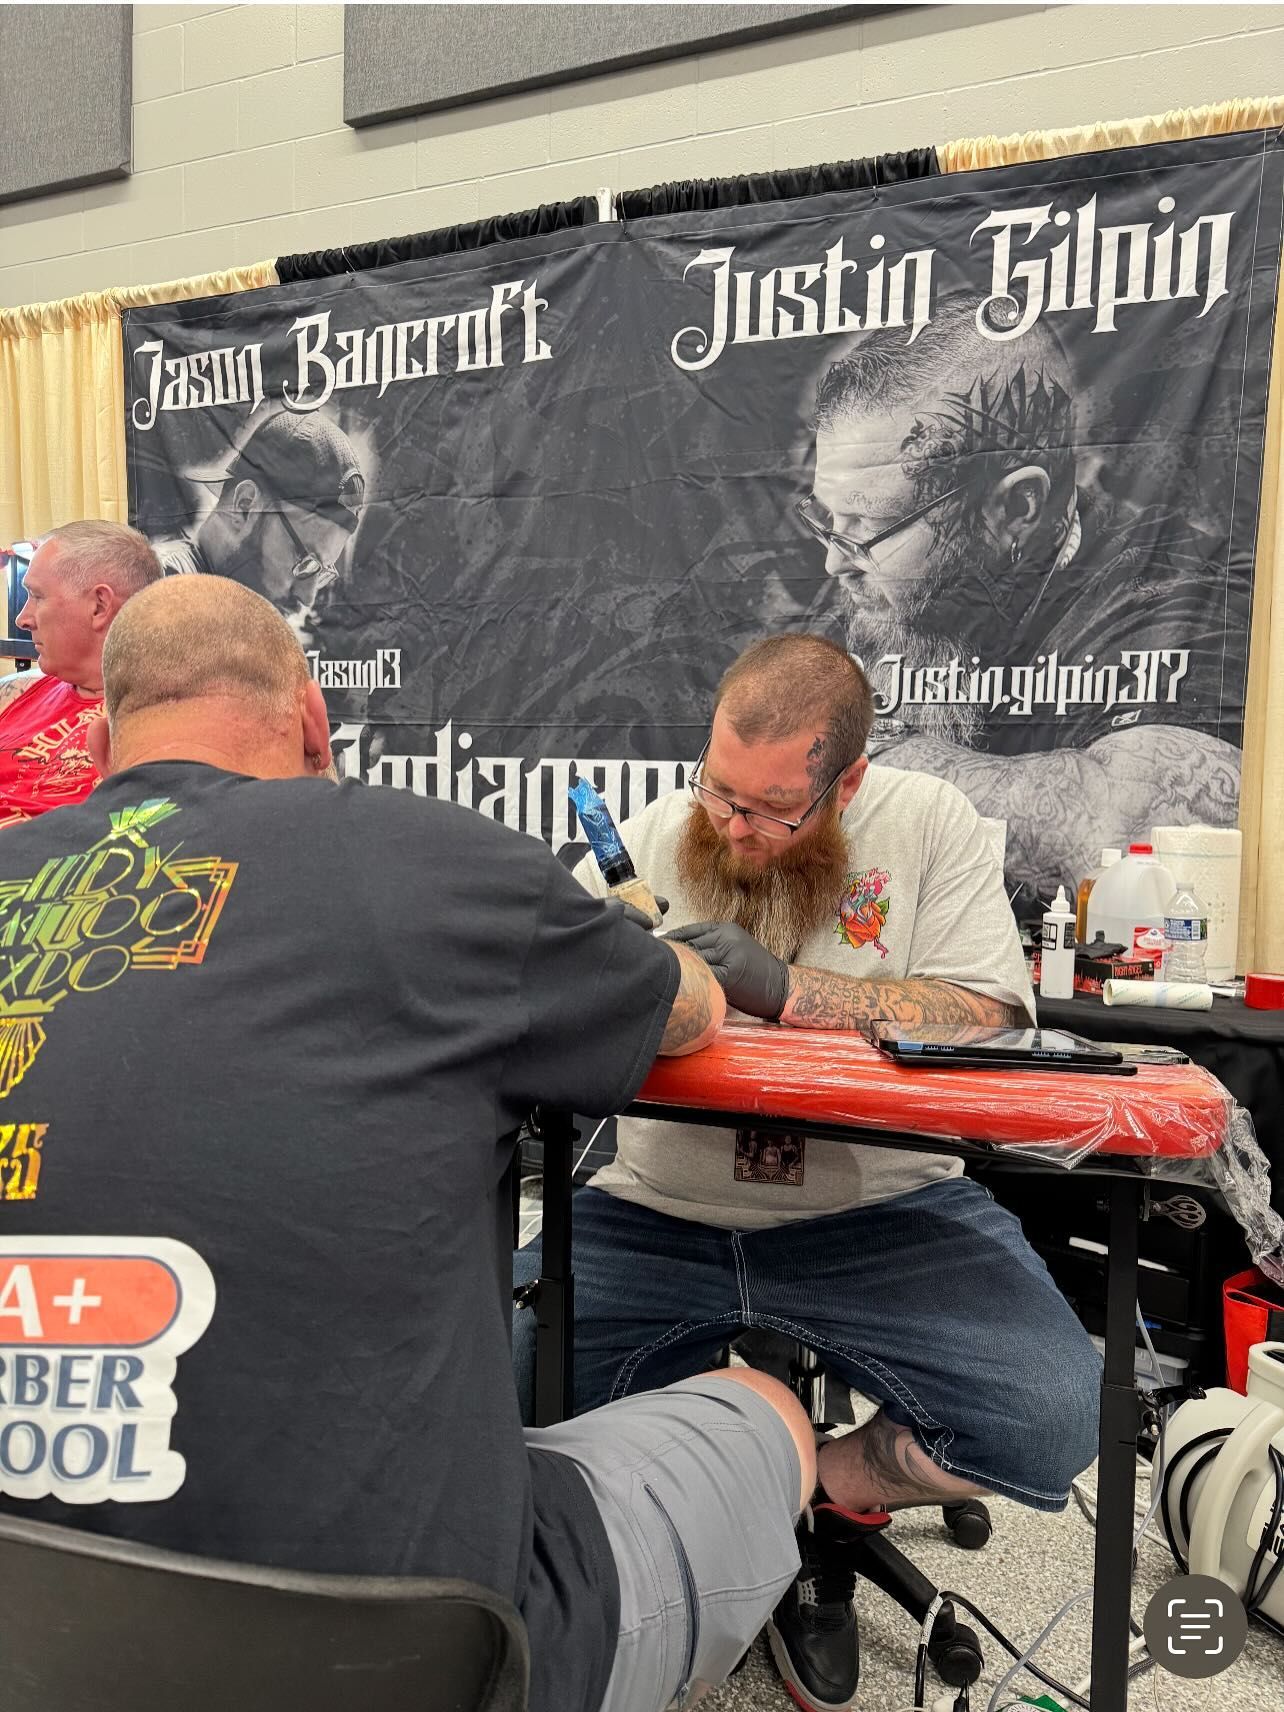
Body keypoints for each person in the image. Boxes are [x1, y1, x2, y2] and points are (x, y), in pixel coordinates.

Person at [0, 573, 824, 1712]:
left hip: (33, 1633)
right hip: (412, 1653)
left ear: (99, 738)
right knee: (766, 1414)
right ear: (310, 721)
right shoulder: (426, 857)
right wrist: (679, 958)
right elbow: (686, 1008)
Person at [513, 634, 1102, 1712]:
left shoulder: (928, 826)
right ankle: (694, 1502)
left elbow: (987, 1014)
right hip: (660, 1207)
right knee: (484, 1383)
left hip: (880, 1208)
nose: (734, 830)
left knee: (1052, 1410)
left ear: (850, 781)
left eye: (773, 811)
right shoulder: (650, 837)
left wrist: (792, 988)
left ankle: (807, 1490)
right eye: (719, 791)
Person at [802, 302, 1247, 908]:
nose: (834, 562)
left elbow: (1141, 843)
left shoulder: (1175, 590)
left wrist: (864, 751)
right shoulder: (871, 587)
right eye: (828, 521)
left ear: (1017, 509)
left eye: (868, 528)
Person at [152, 409, 365, 646]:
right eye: (306, 562)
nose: (307, 597)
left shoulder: (228, 623)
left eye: (322, 572)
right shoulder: (152, 598)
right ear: (245, 507)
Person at [0, 520, 162, 828]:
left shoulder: (172, 717)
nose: (23, 619)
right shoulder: (17, 693)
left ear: (99, 606)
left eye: (37, 596)